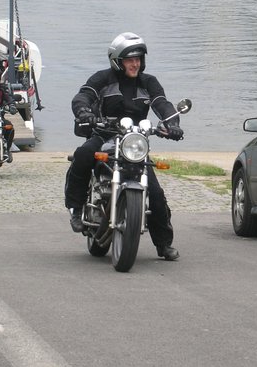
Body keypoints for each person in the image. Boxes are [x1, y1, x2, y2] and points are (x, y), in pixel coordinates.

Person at [64, 32, 184, 261]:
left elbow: (162, 104)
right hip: (104, 135)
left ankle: (163, 244)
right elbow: (83, 96)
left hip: (135, 141)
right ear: (117, 61)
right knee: (83, 154)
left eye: (138, 59)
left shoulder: (148, 82)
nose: (135, 64)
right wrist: (85, 112)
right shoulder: (102, 79)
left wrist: (172, 123)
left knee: (155, 193)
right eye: (130, 59)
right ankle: (76, 208)